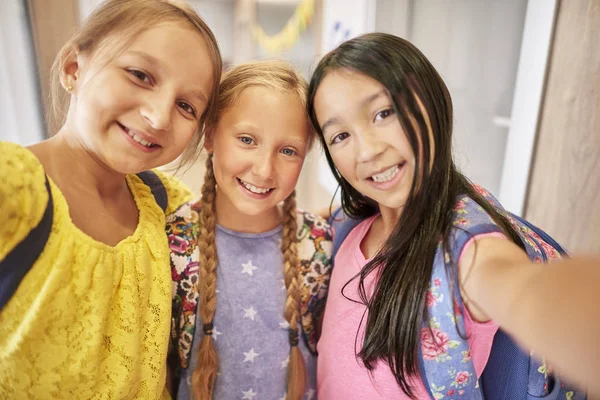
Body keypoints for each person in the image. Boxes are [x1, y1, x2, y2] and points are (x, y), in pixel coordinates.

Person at [306, 32, 599, 399]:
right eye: (340, 136)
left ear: (433, 103)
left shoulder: (466, 251)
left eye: (383, 113)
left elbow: (525, 290)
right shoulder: (353, 225)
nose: (366, 151)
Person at [0, 0, 222, 398]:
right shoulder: (13, 182)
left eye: (186, 106)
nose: (158, 117)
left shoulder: (165, 202)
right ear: (73, 68)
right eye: (140, 75)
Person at [167, 60, 333, 400]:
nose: (263, 169)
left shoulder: (318, 243)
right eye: (247, 139)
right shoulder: (173, 241)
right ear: (210, 135)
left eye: (288, 150)